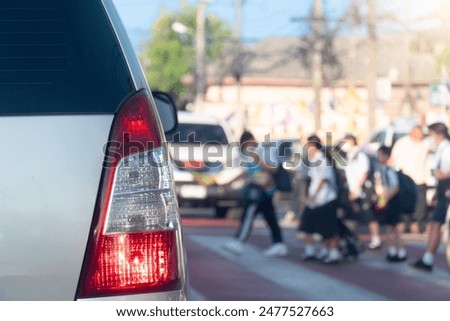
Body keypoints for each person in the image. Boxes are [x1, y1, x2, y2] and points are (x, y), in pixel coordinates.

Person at [223, 131, 288, 257]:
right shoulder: (250, 155)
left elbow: (274, 168)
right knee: (270, 216)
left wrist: (259, 161)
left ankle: (239, 241)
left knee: (249, 213)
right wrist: (229, 182)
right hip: (259, 189)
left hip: (261, 189)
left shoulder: (264, 151)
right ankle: (279, 243)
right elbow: (249, 172)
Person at [412, 123, 450, 271]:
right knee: (435, 224)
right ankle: (428, 258)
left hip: (443, 189)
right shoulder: (439, 149)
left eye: (431, 135)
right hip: (440, 189)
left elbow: (443, 171)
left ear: (438, 134)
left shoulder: (446, 148)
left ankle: (428, 258)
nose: (430, 138)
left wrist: (441, 175)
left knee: (436, 224)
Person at [299, 135, 341, 264]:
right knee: (309, 226)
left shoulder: (321, 159)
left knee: (329, 228)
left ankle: (333, 253)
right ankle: (314, 250)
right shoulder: (314, 160)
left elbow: (323, 178)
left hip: (325, 200)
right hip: (316, 202)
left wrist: (314, 195)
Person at [341, 134, 381, 250]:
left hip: (363, 190)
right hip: (353, 189)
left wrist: (357, 189)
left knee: (369, 214)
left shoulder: (361, 155)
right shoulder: (350, 155)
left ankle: (375, 239)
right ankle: (356, 240)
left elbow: (364, 173)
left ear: (352, 141)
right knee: (352, 216)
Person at [391, 125, 430, 233]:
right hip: (406, 179)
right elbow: (392, 158)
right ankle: (406, 225)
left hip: (420, 178)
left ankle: (421, 226)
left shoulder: (424, 143)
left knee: (421, 204)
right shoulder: (402, 143)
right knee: (407, 203)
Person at [373, 146, 407, 262]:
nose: (378, 157)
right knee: (391, 228)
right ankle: (393, 250)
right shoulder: (383, 169)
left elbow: (393, 188)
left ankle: (399, 251)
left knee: (395, 228)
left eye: (380, 155)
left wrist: (383, 201)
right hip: (390, 201)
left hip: (392, 202)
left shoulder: (388, 170)